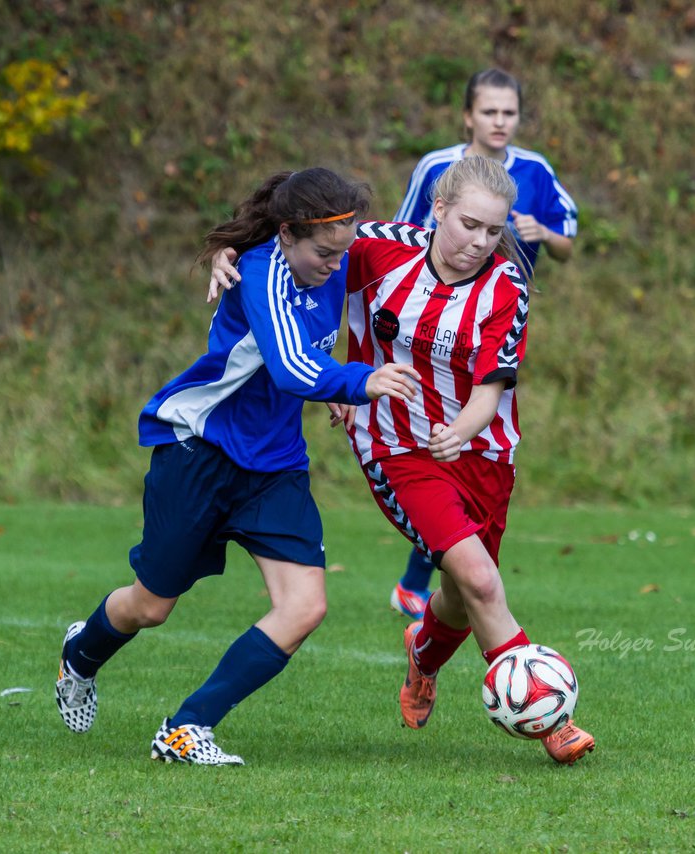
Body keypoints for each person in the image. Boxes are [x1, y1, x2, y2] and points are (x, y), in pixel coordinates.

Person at [210, 156, 594, 765]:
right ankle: (552, 720)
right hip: (397, 447)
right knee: (481, 580)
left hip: (482, 451)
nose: (478, 243)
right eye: (468, 224)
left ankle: (423, 653)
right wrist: (230, 254)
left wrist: (460, 431)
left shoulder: (506, 289)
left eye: (493, 232)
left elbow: (490, 391)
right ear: (438, 210)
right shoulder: (378, 248)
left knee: (464, 595)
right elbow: (299, 238)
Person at [55, 168, 420, 766]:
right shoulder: (259, 269)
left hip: (274, 465)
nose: (337, 265)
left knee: (305, 606)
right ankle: (82, 652)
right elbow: (289, 368)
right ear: (285, 236)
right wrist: (360, 379)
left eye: (344, 251)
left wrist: (483, 233)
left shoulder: (345, 245)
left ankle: (187, 727)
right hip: (199, 450)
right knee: (150, 606)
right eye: (323, 254)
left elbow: (428, 241)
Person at [388, 67, 579, 620]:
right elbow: (397, 239)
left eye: (509, 113)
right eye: (489, 112)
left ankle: (426, 581)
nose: (500, 122)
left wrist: (546, 237)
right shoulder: (436, 168)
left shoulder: (537, 172)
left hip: (496, 325)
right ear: (468, 115)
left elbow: (568, 243)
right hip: (428, 330)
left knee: (478, 443)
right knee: (437, 449)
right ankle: (420, 581)